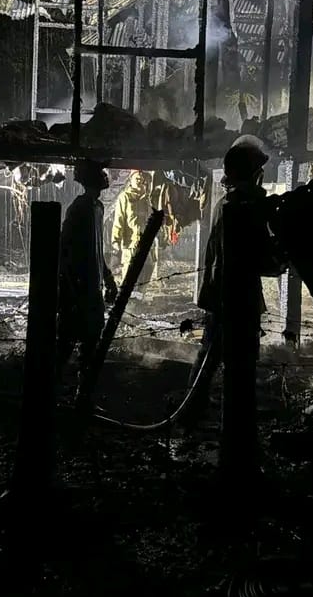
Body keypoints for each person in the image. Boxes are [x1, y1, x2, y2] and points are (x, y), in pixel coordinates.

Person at [182, 135, 285, 427]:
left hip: (219, 294)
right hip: (237, 298)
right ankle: (233, 423)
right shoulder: (243, 208)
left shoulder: (227, 203)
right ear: (254, 174)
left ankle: (194, 407)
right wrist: (281, 258)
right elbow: (258, 259)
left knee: (210, 352)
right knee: (239, 360)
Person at [56, 160, 118, 384]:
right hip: (79, 288)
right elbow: (65, 250)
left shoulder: (96, 207)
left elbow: (96, 248)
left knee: (89, 343)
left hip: (92, 287)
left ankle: (81, 391)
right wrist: (71, 288)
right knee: (66, 343)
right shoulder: (80, 208)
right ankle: (52, 391)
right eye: (100, 172)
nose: (105, 177)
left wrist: (108, 278)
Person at [111, 170, 159, 288]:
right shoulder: (125, 197)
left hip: (147, 245)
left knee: (145, 276)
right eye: (137, 179)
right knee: (129, 277)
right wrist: (116, 241)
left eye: (142, 180)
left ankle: (139, 302)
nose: (140, 181)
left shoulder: (148, 199)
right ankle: (127, 303)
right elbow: (119, 220)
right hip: (131, 244)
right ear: (130, 180)